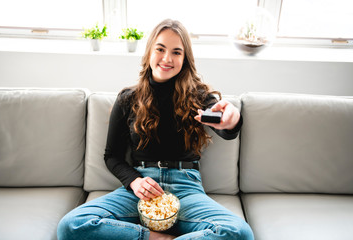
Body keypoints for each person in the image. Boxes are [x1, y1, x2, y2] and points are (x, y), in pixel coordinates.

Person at [57, 19, 254, 240]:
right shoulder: (127, 99)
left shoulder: (198, 96)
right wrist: (135, 181)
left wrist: (232, 119)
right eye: (160, 49)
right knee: (71, 226)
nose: (167, 58)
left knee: (241, 233)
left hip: (186, 188)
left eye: (177, 52)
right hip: (141, 188)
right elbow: (112, 156)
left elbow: (227, 127)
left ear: (185, 59)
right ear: (150, 51)